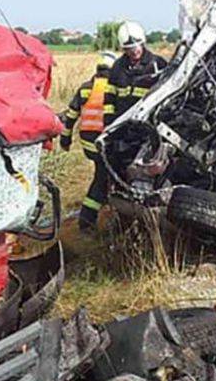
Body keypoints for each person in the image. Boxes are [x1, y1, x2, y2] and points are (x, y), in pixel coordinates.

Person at [60, 52, 117, 230]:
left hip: (87, 142)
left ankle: (106, 206)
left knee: (103, 173)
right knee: (102, 178)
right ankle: (87, 220)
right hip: (104, 142)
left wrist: (65, 138)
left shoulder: (86, 87)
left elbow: (71, 115)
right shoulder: (112, 87)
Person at [102, 21, 167, 128]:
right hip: (122, 125)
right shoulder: (118, 66)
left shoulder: (157, 64)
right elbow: (109, 97)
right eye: (129, 48)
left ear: (142, 43)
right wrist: (108, 122)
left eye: (136, 46)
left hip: (148, 126)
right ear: (123, 49)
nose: (134, 51)